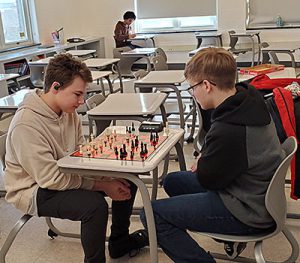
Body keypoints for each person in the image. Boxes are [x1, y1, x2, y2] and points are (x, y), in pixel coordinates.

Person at [140, 47, 285, 262]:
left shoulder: (230, 128)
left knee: (151, 214)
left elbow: (209, 178)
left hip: (247, 210)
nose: (192, 94)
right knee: (172, 181)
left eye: (192, 88)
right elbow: (225, 158)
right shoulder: (248, 99)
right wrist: (209, 156)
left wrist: (205, 160)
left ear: (206, 85)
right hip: (255, 192)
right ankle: (227, 238)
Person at [4, 54, 148, 263]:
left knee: (127, 178)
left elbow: (80, 154)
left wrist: (108, 178)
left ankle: (119, 242)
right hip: (33, 189)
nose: (82, 101)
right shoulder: (26, 125)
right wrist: (101, 185)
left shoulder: (67, 110)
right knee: (94, 206)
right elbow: (50, 179)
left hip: (63, 174)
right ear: (55, 87)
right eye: (77, 94)